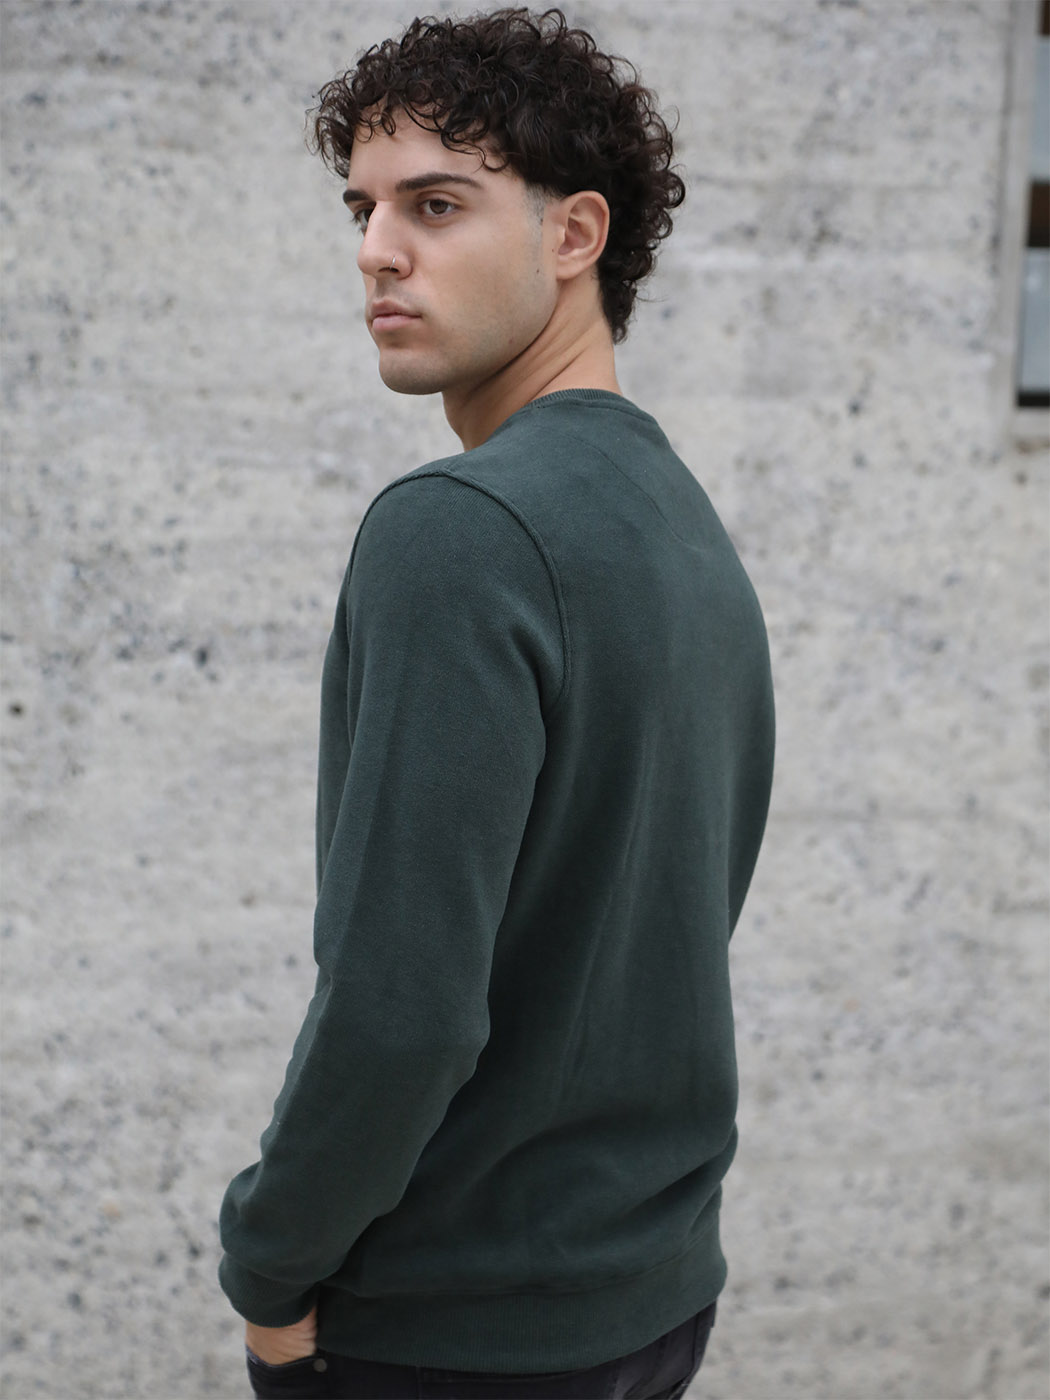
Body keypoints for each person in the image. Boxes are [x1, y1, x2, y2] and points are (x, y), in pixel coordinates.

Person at [217, 8, 775, 1398]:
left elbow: (400, 1008)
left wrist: (270, 1270)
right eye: (362, 208)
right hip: (646, 1297)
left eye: (436, 204)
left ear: (574, 234)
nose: (375, 249)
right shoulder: (679, 521)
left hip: (455, 1331)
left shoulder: (457, 528)